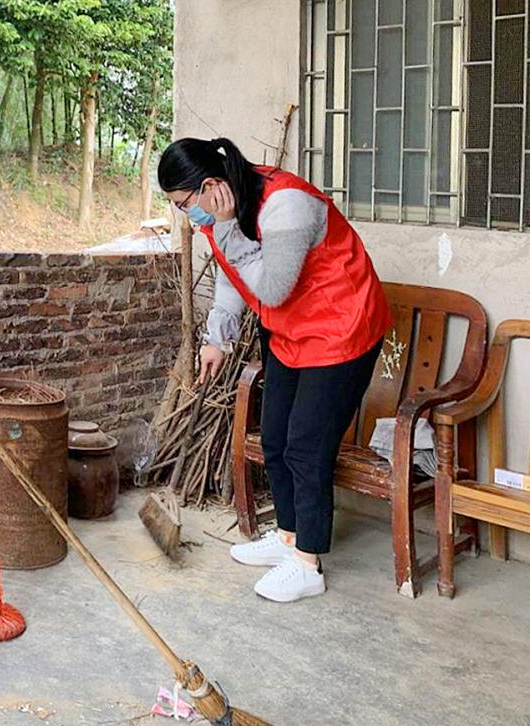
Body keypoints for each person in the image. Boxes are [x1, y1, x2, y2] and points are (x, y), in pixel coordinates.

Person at [159, 137, 391, 603]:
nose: (188, 216)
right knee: (275, 437)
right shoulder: (224, 209)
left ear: (209, 186)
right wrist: (216, 339)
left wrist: (226, 229)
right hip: (290, 332)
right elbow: (232, 272)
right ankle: (288, 537)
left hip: (340, 329)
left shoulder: (285, 205)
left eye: (185, 205)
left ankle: (308, 563)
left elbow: (274, 287)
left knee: (307, 444)